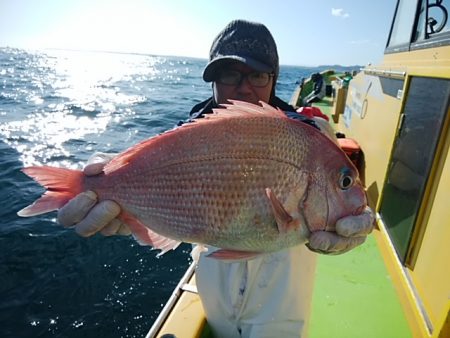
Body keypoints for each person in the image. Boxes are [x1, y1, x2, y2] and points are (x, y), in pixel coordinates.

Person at [57, 20, 374, 338]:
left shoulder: (310, 137)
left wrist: (352, 215)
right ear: (213, 80)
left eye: (258, 75)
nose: (244, 87)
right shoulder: (185, 135)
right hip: (215, 275)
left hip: (283, 289)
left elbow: (325, 156)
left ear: (274, 80)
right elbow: (150, 165)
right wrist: (107, 179)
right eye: (229, 74)